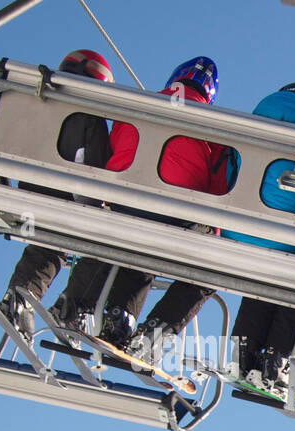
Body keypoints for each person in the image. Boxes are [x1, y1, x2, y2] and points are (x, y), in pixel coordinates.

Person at [54, 57, 231, 350]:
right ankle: (153, 330)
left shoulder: (136, 105)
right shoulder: (217, 127)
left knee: (127, 235)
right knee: (198, 263)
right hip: (173, 215)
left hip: (123, 203)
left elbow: (115, 150)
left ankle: (83, 306)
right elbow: (215, 187)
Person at [181, 82, 295, 384]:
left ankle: (243, 356)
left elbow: (227, 176)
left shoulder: (251, 124)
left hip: (236, 232)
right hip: (282, 241)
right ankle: (274, 360)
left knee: (263, 277)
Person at [0, 49, 114, 340]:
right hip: (64, 199)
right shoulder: (88, 114)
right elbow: (94, 165)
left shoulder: (37, 101)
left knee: (46, 244)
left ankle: (19, 299)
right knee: (108, 239)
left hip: (28, 193)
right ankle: (73, 307)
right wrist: (99, 205)